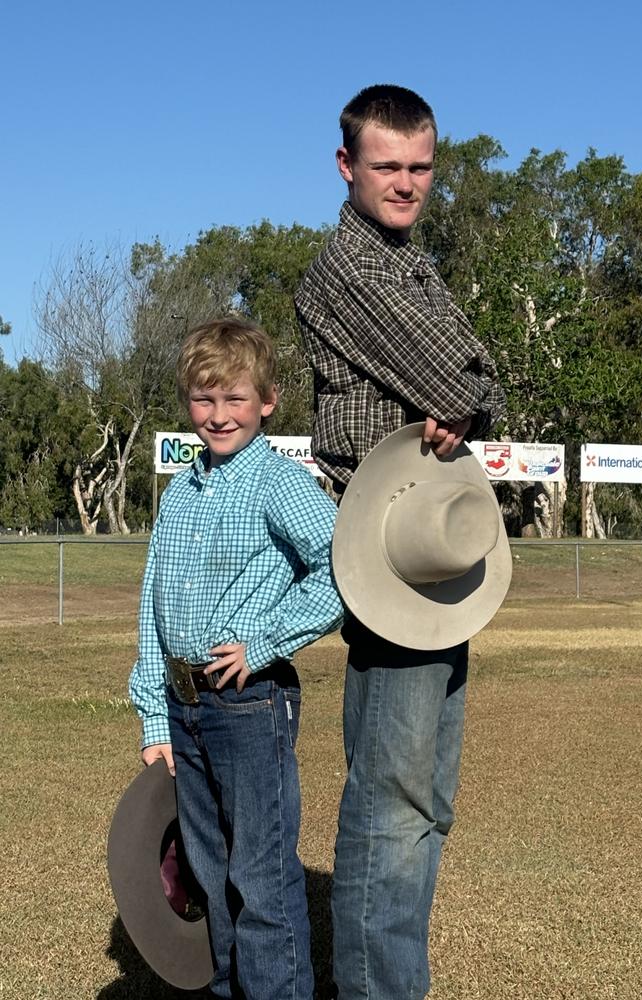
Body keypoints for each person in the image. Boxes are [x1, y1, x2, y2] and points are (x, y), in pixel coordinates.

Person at [295, 84, 506, 1000]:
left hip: (433, 554)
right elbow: (463, 375)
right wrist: (469, 389)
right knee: (393, 805)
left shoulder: (409, 263)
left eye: (421, 167)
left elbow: (467, 381)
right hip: (386, 556)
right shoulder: (353, 272)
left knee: (428, 803)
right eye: (386, 165)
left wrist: (470, 389)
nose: (406, 183)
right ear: (346, 166)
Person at [129, 317, 344, 1000]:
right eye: (204, 398)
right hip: (185, 711)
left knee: (261, 880)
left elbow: (342, 570)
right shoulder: (183, 490)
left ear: (268, 401)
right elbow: (151, 606)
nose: (218, 415)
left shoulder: (278, 483)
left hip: (251, 707)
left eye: (235, 399)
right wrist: (155, 719)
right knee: (210, 876)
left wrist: (268, 642)